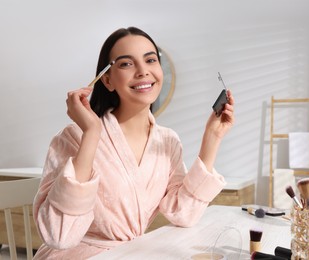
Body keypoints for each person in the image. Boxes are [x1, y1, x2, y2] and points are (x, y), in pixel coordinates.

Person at [32, 26, 235, 259]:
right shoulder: (73, 137)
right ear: (107, 80)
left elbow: (183, 214)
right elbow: (58, 235)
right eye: (126, 64)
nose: (142, 71)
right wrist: (91, 133)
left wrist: (213, 137)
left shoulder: (167, 141)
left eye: (150, 60)